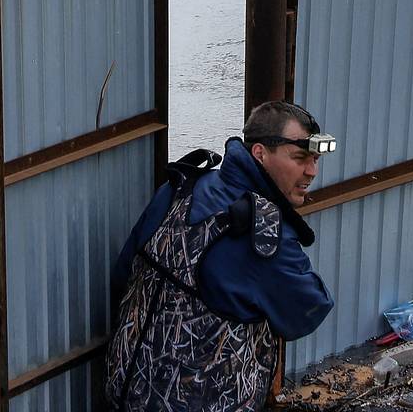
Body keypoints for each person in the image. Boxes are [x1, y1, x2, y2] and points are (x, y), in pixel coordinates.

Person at [106, 100, 335, 411]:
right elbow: (307, 310)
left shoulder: (180, 187)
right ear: (260, 154)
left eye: (316, 160)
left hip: (125, 391)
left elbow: (123, 275)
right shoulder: (265, 235)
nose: (311, 171)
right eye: (299, 158)